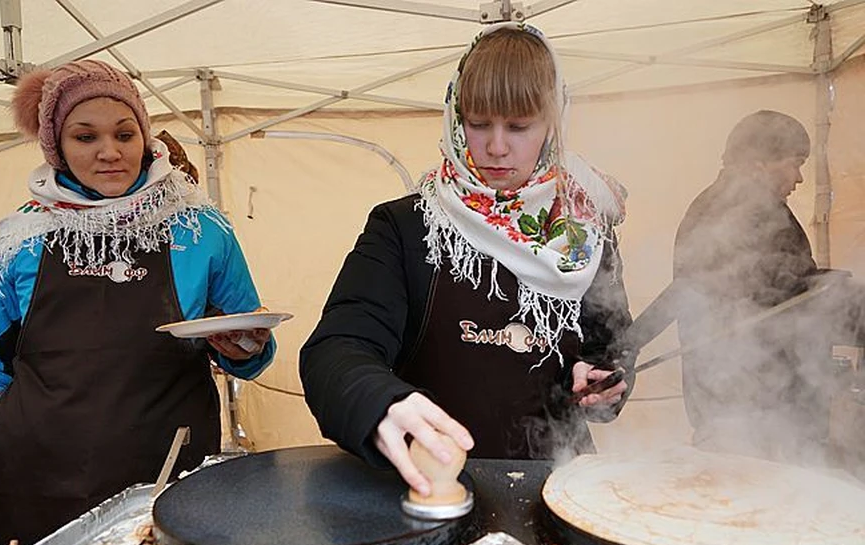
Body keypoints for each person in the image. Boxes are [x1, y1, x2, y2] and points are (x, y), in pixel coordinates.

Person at [0, 60, 275, 545]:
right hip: (33, 485)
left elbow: (250, 346)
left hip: (162, 477)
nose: (110, 153)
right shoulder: (20, 239)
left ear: (144, 136)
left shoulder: (201, 230)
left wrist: (246, 346)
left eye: (125, 134)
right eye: (85, 138)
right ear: (56, 145)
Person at [300, 23, 633, 498]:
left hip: (561, 489)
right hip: (433, 489)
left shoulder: (584, 235)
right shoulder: (405, 228)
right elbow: (336, 350)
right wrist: (381, 404)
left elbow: (614, 348)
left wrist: (603, 383)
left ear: (554, 122)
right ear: (456, 118)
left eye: (519, 127)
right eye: (479, 124)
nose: (497, 147)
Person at [673, 110, 836, 459]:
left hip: (738, 409)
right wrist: (835, 295)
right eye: (795, 163)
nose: (800, 177)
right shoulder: (743, 211)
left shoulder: (727, 204)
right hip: (752, 413)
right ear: (759, 163)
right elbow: (785, 295)